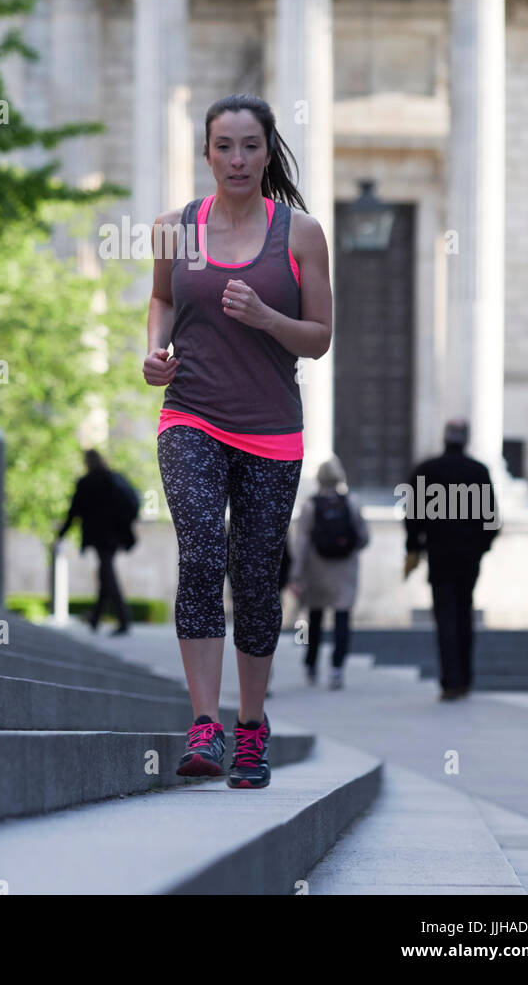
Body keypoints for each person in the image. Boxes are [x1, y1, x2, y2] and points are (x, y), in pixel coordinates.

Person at [144, 94, 332, 789]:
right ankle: (204, 722)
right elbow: (162, 300)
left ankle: (251, 726)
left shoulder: (302, 234)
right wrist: (154, 352)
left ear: (267, 150)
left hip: (271, 429)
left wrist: (265, 317)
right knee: (199, 547)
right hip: (190, 412)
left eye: (250, 146)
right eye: (224, 146)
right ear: (206, 153)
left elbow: (319, 337)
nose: (238, 159)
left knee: (254, 578)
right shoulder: (174, 228)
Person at [403, 418, 499, 701]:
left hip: (440, 553)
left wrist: (414, 546)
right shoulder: (478, 471)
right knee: (464, 613)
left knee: (445, 615)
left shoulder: (427, 470)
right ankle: (465, 678)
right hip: (468, 556)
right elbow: (491, 518)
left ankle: (450, 681)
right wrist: (482, 546)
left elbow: (413, 516)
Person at [288, 455, 369, 689]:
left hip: (317, 569)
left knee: (315, 618)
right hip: (345, 570)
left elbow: (301, 542)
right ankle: (337, 668)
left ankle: (311, 664)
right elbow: (364, 536)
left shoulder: (310, 505)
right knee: (342, 618)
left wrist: (296, 573)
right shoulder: (352, 502)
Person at [56, 449, 136, 636]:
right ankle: (96, 619)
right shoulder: (113, 479)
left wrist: (61, 534)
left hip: (102, 537)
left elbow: (73, 512)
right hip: (115, 536)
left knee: (107, 573)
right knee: (105, 573)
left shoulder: (87, 483)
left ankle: (122, 620)